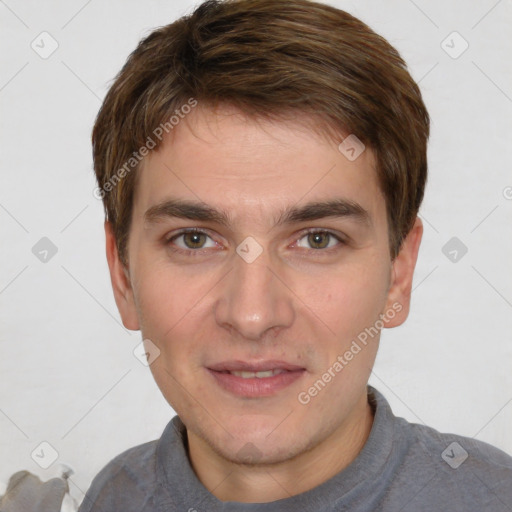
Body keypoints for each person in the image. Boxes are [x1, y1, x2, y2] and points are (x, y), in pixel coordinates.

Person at [79, 0, 512, 510]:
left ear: (399, 274)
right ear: (123, 275)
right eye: (194, 239)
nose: (253, 315)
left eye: (317, 239)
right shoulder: (113, 496)